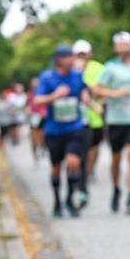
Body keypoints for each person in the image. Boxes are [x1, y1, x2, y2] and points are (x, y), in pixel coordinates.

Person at [96, 31, 130, 214]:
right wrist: (115, 93)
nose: (122, 47)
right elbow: (97, 91)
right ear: (115, 48)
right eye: (118, 44)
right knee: (116, 159)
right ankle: (116, 189)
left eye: (125, 44)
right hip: (115, 118)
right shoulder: (110, 67)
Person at [34, 44, 90, 218]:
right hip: (54, 129)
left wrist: (88, 98)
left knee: (73, 162)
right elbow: (37, 100)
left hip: (74, 127)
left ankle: (70, 199)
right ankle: (57, 202)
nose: (72, 60)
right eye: (68, 57)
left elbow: (84, 92)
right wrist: (54, 96)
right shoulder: (47, 77)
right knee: (56, 167)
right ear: (59, 59)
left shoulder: (77, 76)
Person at [73, 39, 106, 207]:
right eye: (78, 55)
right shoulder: (70, 70)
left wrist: (95, 95)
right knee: (79, 154)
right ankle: (82, 181)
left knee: (93, 148)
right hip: (75, 121)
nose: (81, 58)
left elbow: (102, 90)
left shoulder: (98, 68)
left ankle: (88, 172)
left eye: (84, 55)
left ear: (89, 54)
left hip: (94, 118)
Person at [26, 76, 47, 162]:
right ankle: (35, 154)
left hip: (42, 116)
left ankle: (42, 147)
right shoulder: (30, 94)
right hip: (34, 117)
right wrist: (28, 112)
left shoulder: (43, 93)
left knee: (43, 135)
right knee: (33, 137)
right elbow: (27, 106)